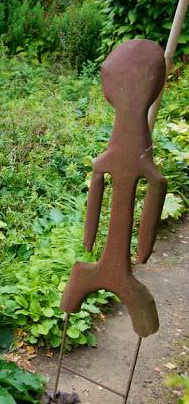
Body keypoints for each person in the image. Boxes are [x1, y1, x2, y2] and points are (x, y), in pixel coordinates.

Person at [60, 39, 167, 337]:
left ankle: (112, 283)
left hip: (122, 267)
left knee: (125, 289)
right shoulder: (111, 160)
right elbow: (152, 183)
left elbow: (155, 183)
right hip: (105, 261)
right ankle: (89, 283)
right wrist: (92, 238)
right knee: (86, 273)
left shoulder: (122, 158)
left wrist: (139, 250)